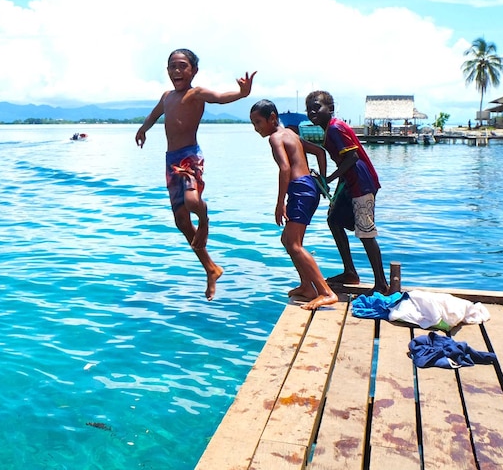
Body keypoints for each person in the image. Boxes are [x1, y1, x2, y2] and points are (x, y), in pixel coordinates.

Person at [136, 48, 255, 300]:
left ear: (194, 71)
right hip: (171, 161)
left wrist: (242, 93)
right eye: (172, 66)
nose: (177, 71)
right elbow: (155, 114)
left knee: (192, 202)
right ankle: (211, 269)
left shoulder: (196, 94)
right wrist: (143, 129)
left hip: (190, 156)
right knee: (180, 221)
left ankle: (204, 220)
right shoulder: (167, 96)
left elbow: (220, 97)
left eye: (182, 66)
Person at [250, 99, 338, 310]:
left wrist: (280, 203)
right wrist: (322, 181)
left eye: (258, 122)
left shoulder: (275, 137)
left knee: (294, 245)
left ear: (272, 118)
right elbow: (319, 152)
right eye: (253, 124)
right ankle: (307, 286)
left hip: (300, 189)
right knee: (288, 239)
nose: (256, 128)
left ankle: (326, 292)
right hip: (308, 188)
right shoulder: (292, 134)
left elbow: (285, 169)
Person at [305, 90, 389, 294]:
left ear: (330, 109)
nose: (312, 112)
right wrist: (335, 191)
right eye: (309, 109)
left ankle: (381, 284)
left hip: (362, 184)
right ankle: (350, 272)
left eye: (317, 107)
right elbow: (345, 161)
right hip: (350, 184)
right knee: (334, 220)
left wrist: (328, 179)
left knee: (365, 232)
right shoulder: (329, 130)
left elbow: (352, 158)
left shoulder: (335, 128)